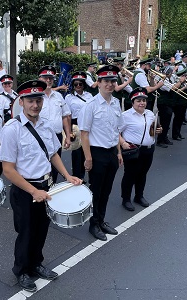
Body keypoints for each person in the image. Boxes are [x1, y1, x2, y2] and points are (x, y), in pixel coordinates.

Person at [0, 80, 81, 292]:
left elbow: (53, 154)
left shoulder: (45, 125)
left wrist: (67, 175)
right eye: (30, 101)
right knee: (26, 231)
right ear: (21, 102)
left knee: (42, 229)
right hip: (26, 190)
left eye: (38, 100)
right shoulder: (11, 129)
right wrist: (34, 190)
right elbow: (8, 169)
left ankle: (36, 263)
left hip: (47, 186)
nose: (35, 105)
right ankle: (22, 270)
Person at [79, 65, 123, 241]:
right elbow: (84, 134)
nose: (110, 85)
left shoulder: (116, 103)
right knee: (96, 191)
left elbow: (116, 130)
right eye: (106, 81)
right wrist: (88, 158)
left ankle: (102, 220)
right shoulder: (90, 106)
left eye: (113, 81)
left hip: (112, 152)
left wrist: (118, 152)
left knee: (106, 190)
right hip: (96, 154)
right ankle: (93, 224)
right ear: (98, 83)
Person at [119, 87, 162, 211]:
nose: (142, 103)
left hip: (148, 149)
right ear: (133, 102)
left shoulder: (150, 114)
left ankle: (139, 196)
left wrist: (159, 130)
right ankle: (126, 199)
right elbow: (116, 132)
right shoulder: (125, 116)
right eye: (138, 101)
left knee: (142, 174)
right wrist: (123, 143)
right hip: (133, 150)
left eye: (143, 100)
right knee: (130, 175)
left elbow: (153, 129)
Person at [38, 65, 72, 182]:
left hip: (56, 137)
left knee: (55, 167)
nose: (48, 80)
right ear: (39, 79)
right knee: (40, 168)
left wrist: (67, 136)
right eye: (45, 78)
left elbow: (65, 117)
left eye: (50, 78)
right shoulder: (35, 97)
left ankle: (52, 191)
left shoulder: (58, 97)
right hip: (39, 138)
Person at [64, 71, 94, 181]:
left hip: (88, 123)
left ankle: (87, 173)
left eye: (80, 84)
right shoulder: (69, 97)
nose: (78, 86)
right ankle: (77, 176)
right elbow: (67, 115)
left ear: (84, 85)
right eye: (75, 84)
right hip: (76, 124)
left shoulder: (89, 95)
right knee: (77, 151)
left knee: (87, 149)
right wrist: (69, 131)